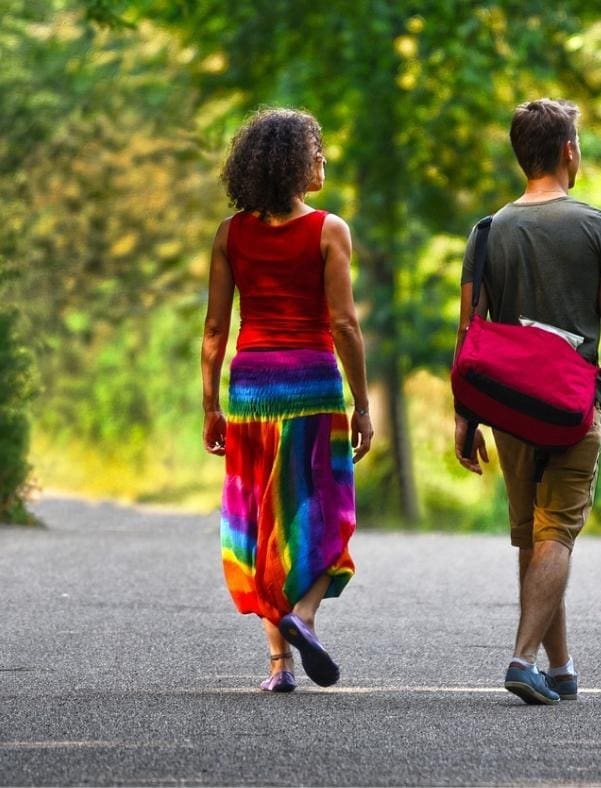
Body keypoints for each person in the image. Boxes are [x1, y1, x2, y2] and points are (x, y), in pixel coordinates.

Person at [453, 98, 601, 705]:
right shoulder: (595, 227)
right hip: (572, 403)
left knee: (535, 537)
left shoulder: (488, 231)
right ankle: (522, 658)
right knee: (556, 530)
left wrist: (466, 415)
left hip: (509, 411)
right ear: (567, 151)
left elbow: (469, 332)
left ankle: (558, 666)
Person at [201, 108, 372, 693]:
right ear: (297, 165)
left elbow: (215, 331)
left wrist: (210, 405)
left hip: (250, 391)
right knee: (323, 512)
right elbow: (345, 324)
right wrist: (363, 405)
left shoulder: (230, 234)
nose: (323, 160)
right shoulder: (329, 229)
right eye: (316, 152)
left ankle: (279, 666)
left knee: (260, 520)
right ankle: (303, 617)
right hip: (313, 389)